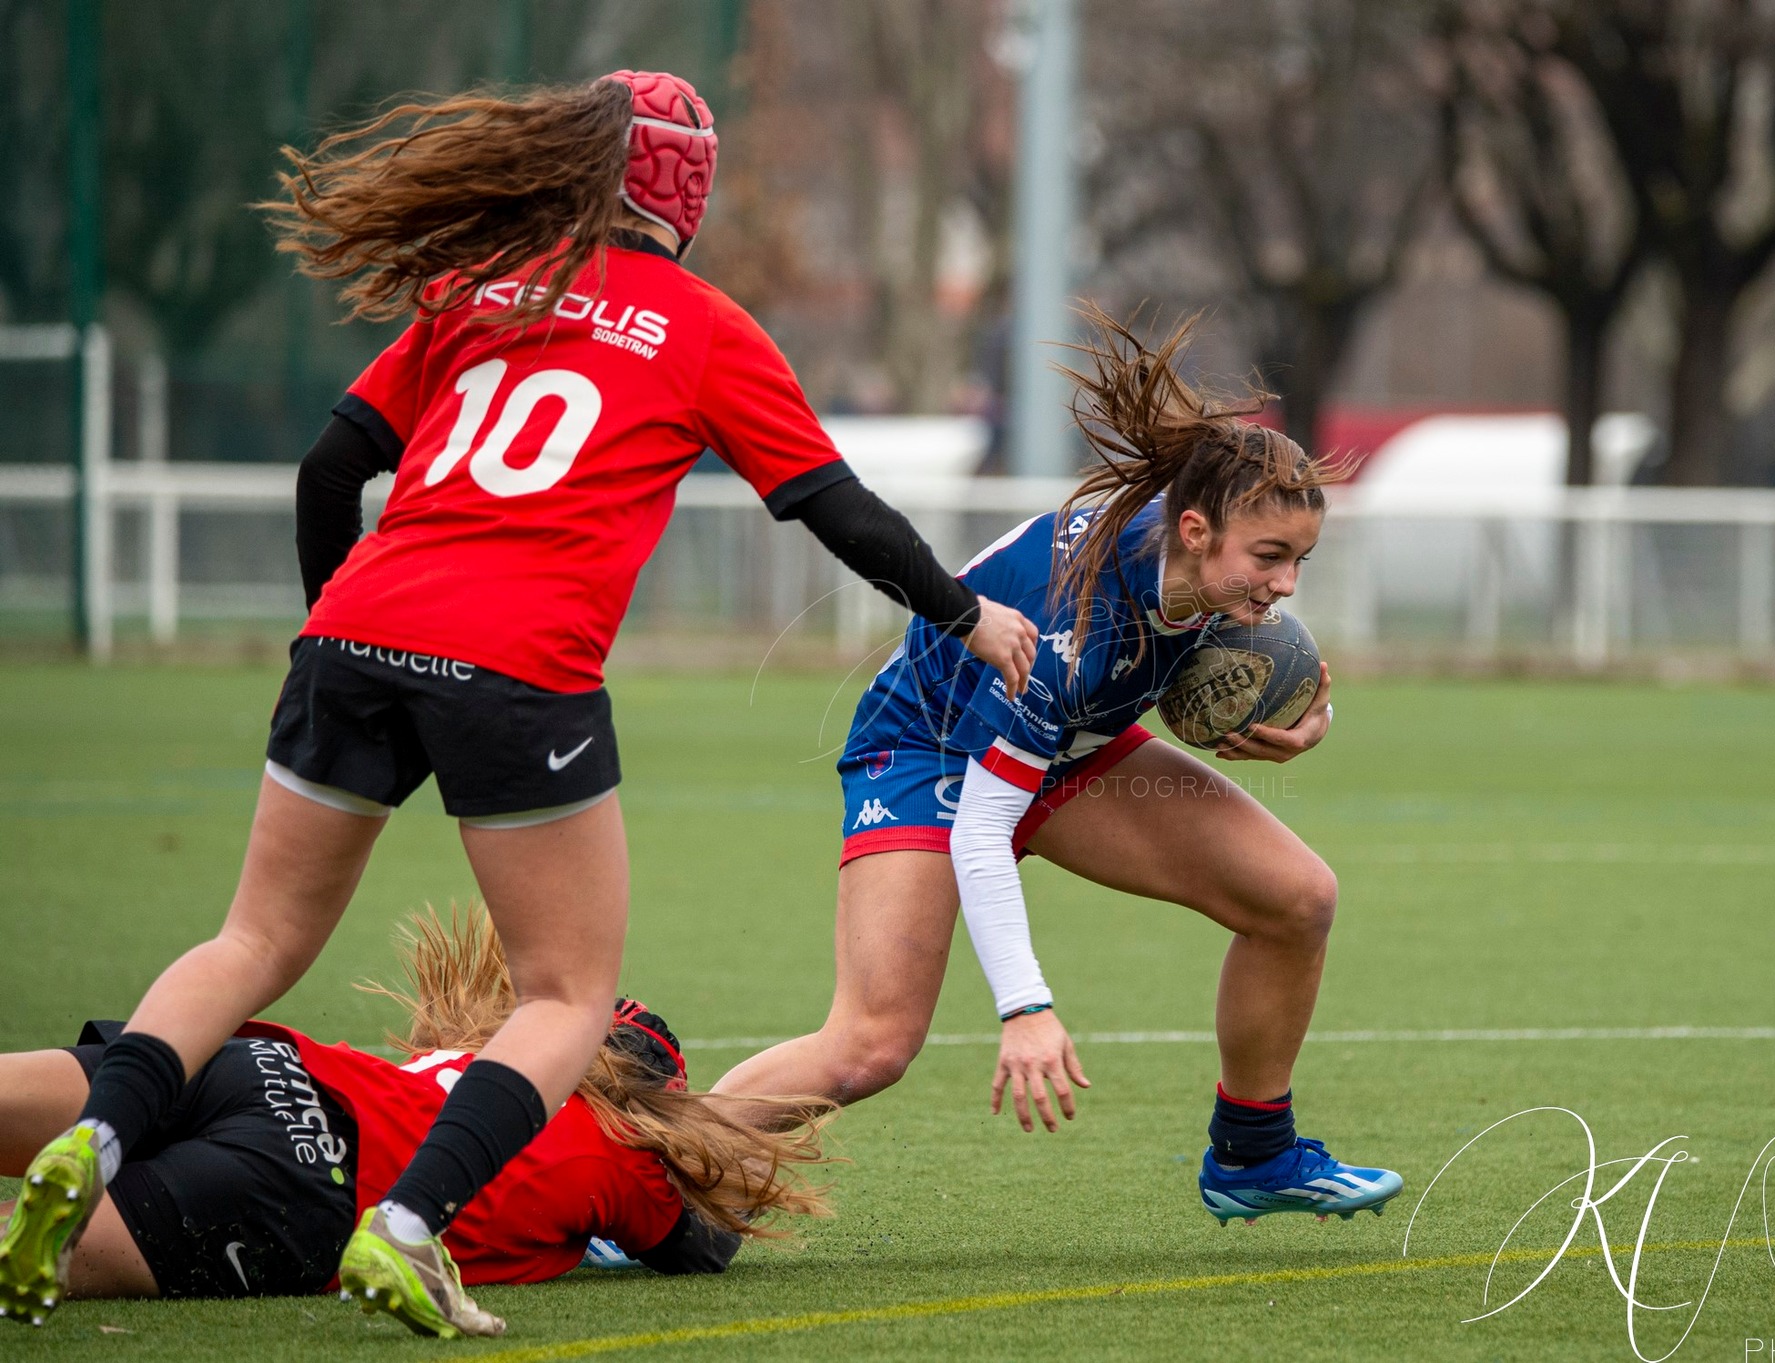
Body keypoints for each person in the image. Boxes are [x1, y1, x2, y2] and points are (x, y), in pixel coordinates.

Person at [0, 71, 1037, 1339]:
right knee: (563, 996)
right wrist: (967, 614)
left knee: (254, 942)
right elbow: (836, 508)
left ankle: (97, 1136)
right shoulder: (704, 325)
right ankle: (409, 1226)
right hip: (516, 661)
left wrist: (336, 627)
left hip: (354, 633)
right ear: (686, 196)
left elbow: (332, 466)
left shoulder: (481, 282)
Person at [713, 309, 1403, 1225]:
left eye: (1299, 560)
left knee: (1297, 899)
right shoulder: (1075, 629)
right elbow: (984, 823)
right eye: (1270, 559)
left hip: (1066, 747)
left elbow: (1210, 655)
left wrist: (1304, 714)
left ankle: (1252, 1155)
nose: (1283, 586)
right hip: (928, 750)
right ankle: (635, 1178)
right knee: (870, 1046)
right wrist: (1025, 1007)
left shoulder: (1202, 553)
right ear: (1194, 530)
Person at [0, 912, 829, 1321]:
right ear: (650, 1107)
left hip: (262, 1062)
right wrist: (720, 1146)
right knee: (26, 1250)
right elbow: (700, 1247)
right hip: (310, 1178)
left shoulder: (482, 1061)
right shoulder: (628, 1157)